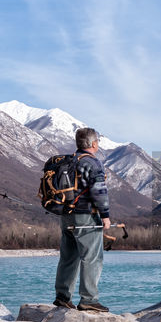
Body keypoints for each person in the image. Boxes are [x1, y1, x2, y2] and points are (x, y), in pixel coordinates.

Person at [54, 127, 111, 312]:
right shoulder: (92, 163)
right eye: (98, 142)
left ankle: (62, 297)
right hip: (86, 216)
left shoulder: (69, 161)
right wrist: (105, 216)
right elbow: (99, 191)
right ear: (93, 144)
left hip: (66, 215)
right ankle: (89, 299)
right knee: (92, 257)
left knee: (68, 257)